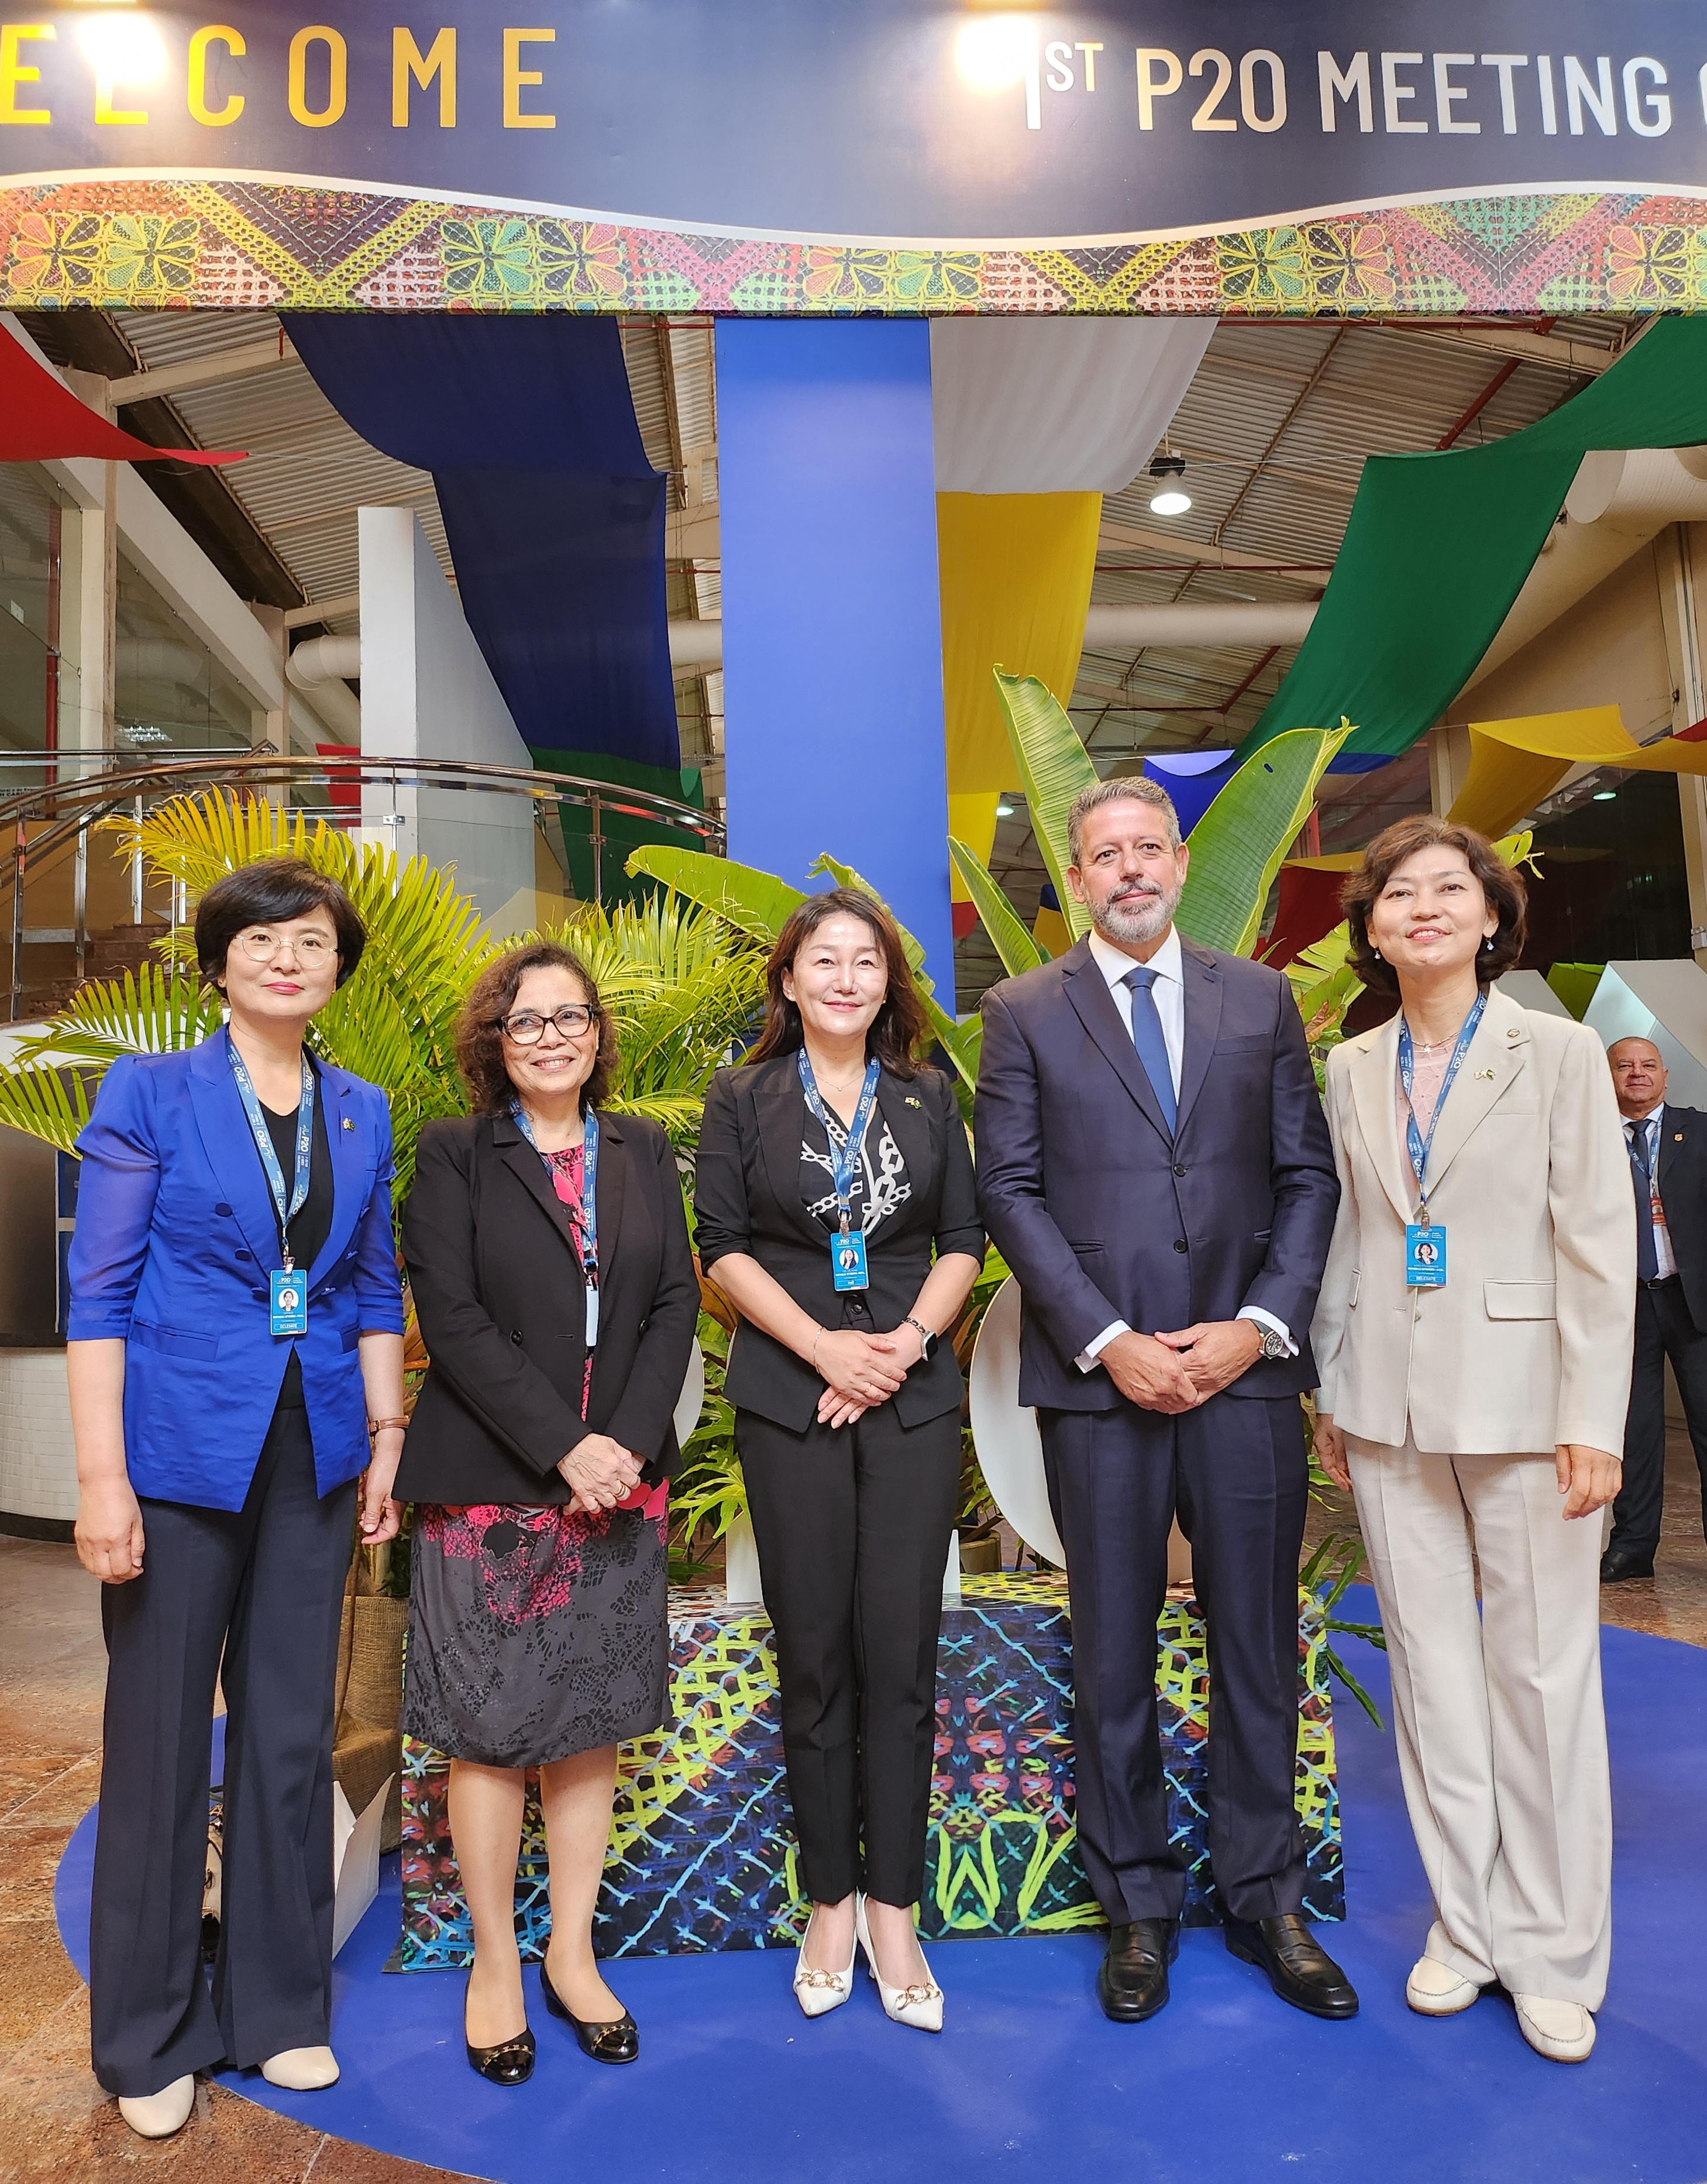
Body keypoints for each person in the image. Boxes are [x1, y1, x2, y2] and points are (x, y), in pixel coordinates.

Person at [975, 778, 1350, 2028]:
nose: (1127, 869)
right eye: (1102, 855)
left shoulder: (1260, 998)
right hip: (1103, 1388)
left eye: (1146, 848)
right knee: (1112, 1650)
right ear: (1075, 879)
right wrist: (1108, 1339)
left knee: (1257, 1640)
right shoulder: (1023, 1009)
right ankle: (1135, 1903)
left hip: (1245, 1375)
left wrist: (1255, 1327)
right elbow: (1011, 1195)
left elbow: (1306, 1175)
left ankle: (1265, 1895)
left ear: (1181, 864)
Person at [66, 857, 407, 2141]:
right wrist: (102, 1482)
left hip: (314, 1456)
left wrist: (382, 1441)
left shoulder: (362, 1110)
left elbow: (374, 1290)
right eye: (260, 940)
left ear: (334, 968)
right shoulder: (150, 1092)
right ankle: (148, 2034)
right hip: (172, 1460)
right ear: (217, 964)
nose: (285, 958)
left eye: (310, 941)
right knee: (159, 1740)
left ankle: (277, 2007)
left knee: (283, 1739)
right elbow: (97, 1295)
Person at [1312, 816, 1633, 2065]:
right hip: (1388, 1417)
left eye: (1450, 888)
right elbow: (1349, 1243)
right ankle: (1469, 1927)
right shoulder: (1355, 1067)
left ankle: (1554, 1950)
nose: (1424, 906)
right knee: (1435, 1685)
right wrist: (1335, 1392)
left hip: (1526, 1409)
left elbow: (1599, 1248)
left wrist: (1589, 1423)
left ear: (1491, 920)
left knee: (1543, 1681)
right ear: (1374, 928)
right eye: (1400, 891)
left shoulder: (1554, 1053)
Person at [397, 942, 697, 2082]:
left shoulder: (641, 1149)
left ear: (598, 1033)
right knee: (489, 1731)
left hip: (620, 1482)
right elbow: (455, 1320)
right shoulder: (456, 1155)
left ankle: (571, 1952)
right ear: (495, 1042)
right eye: (528, 1021)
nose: (554, 1036)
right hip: (494, 1490)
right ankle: (493, 1965)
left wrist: (617, 1443)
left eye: (573, 1017)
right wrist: (564, 1445)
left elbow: (672, 1297)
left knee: (587, 1727)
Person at [694, 888, 983, 2032]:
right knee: (813, 1653)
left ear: (887, 984)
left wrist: (904, 1346)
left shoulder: (926, 1095)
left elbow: (962, 1239)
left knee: (899, 1656)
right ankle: (828, 1902)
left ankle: (895, 1911)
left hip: (910, 1403)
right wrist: (823, 1346)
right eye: (826, 960)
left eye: (867, 961)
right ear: (788, 979)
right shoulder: (744, 1095)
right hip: (789, 1396)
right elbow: (720, 1247)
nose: (847, 979)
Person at [1602, 1036, 1707, 1581]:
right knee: (1635, 1430)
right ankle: (1633, 1546)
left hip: (1695, 1304)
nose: (1637, 1074)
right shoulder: (1590, 1140)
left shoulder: (1701, 1131)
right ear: (1608, 1076)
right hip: (1624, 1303)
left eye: (1647, 1065)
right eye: (1624, 1065)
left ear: (1665, 1075)